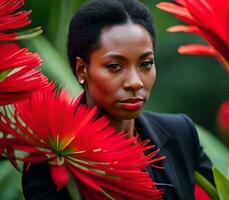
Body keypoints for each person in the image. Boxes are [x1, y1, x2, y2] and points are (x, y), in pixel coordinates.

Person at [22, 0, 214, 199]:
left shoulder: (180, 134)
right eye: (115, 66)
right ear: (82, 70)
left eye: (146, 64)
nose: (135, 82)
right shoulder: (51, 160)